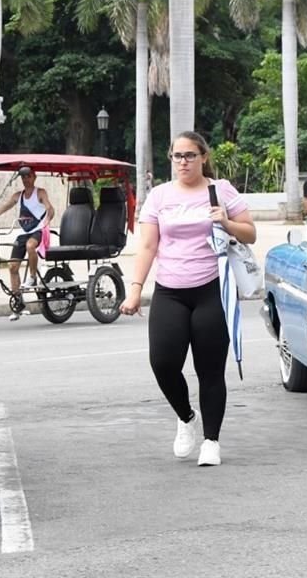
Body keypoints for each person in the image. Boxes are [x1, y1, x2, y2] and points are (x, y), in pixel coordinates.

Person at [119, 131, 257, 467]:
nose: (183, 162)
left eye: (190, 155)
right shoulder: (160, 196)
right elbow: (148, 246)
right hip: (170, 291)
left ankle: (211, 441)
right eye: (177, 156)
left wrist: (226, 221)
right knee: (163, 363)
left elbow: (250, 231)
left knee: (209, 370)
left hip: (212, 289)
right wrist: (136, 289)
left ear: (203, 157)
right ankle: (186, 417)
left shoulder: (220, 190)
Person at [0, 165, 55, 321]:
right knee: (12, 266)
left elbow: (50, 208)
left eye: (28, 176)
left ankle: (32, 277)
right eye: (23, 177)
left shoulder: (40, 192)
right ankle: (17, 303)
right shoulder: (18, 196)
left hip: (37, 230)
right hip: (23, 233)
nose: (26, 180)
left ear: (34, 177)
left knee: (31, 246)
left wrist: (48, 219)